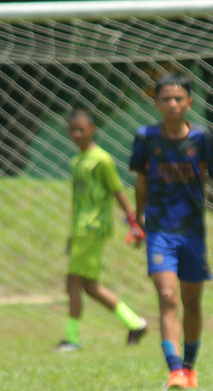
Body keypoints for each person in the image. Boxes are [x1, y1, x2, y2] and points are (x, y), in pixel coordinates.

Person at [129, 72, 213, 389]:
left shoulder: (202, 138)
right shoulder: (146, 138)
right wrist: (138, 218)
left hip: (192, 232)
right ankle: (174, 369)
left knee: (192, 301)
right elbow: (142, 180)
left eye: (178, 98)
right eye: (166, 99)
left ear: (189, 102)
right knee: (167, 296)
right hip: (160, 230)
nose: (172, 104)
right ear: (157, 102)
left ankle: (190, 367)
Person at [57, 106, 148, 352]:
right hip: (80, 230)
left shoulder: (102, 159)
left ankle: (72, 339)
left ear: (92, 130)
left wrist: (134, 222)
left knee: (72, 282)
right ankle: (135, 322)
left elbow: (118, 191)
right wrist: (71, 234)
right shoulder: (77, 161)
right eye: (72, 130)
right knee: (88, 286)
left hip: (94, 228)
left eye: (81, 129)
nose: (76, 134)